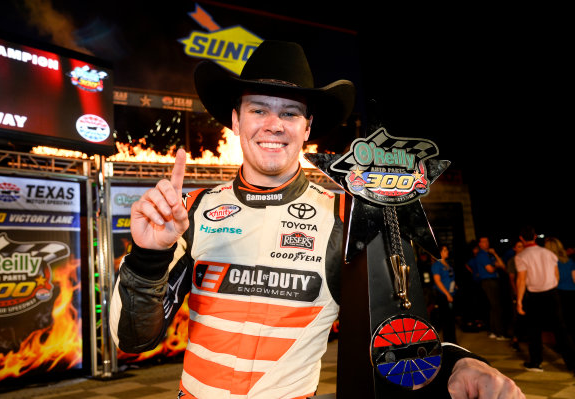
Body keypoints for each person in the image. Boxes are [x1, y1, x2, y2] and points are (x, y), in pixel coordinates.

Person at [109, 40, 523, 398]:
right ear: (235, 120)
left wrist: (459, 364)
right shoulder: (193, 210)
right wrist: (148, 257)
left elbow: (396, 327)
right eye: (258, 109)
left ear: (307, 128)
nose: (274, 124)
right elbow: (134, 338)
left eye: (290, 113)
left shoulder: (348, 214)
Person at [515, 226, 575, 372]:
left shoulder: (521, 256)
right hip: (552, 294)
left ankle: (536, 363)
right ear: (535, 236)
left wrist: (519, 301)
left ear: (521, 238)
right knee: (561, 329)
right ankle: (573, 364)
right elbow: (556, 275)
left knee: (534, 329)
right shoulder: (548, 253)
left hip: (534, 296)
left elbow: (521, 280)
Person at [474, 236, 509, 340]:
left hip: (493, 281)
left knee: (494, 307)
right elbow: (490, 269)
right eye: (483, 241)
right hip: (489, 281)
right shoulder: (482, 255)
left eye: (487, 241)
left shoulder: (489, 254)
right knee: (496, 307)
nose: (486, 243)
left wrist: (494, 254)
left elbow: (502, 265)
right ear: (480, 244)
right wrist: (495, 266)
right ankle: (499, 333)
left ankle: (494, 331)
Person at [544, 236, 575, 345]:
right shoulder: (569, 261)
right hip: (571, 292)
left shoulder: (551, 262)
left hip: (558, 293)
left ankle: (564, 346)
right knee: (570, 321)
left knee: (560, 323)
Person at [431, 245, 457, 343]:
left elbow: (449, 277)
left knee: (451, 319)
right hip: (443, 295)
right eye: (445, 250)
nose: (447, 251)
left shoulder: (447, 263)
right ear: (440, 252)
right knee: (446, 320)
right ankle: (448, 342)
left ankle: (453, 341)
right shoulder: (436, 265)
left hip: (451, 293)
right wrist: (447, 294)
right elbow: (437, 281)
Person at [506, 239, 525, 351]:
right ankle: (515, 338)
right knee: (516, 316)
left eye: (522, 246)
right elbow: (512, 279)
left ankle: (523, 336)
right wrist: (516, 292)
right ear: (514, 248)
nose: (521, 248)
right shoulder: (513, 261)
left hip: (527, 291)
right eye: (518, 246)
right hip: (517, 291)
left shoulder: (526, 259)